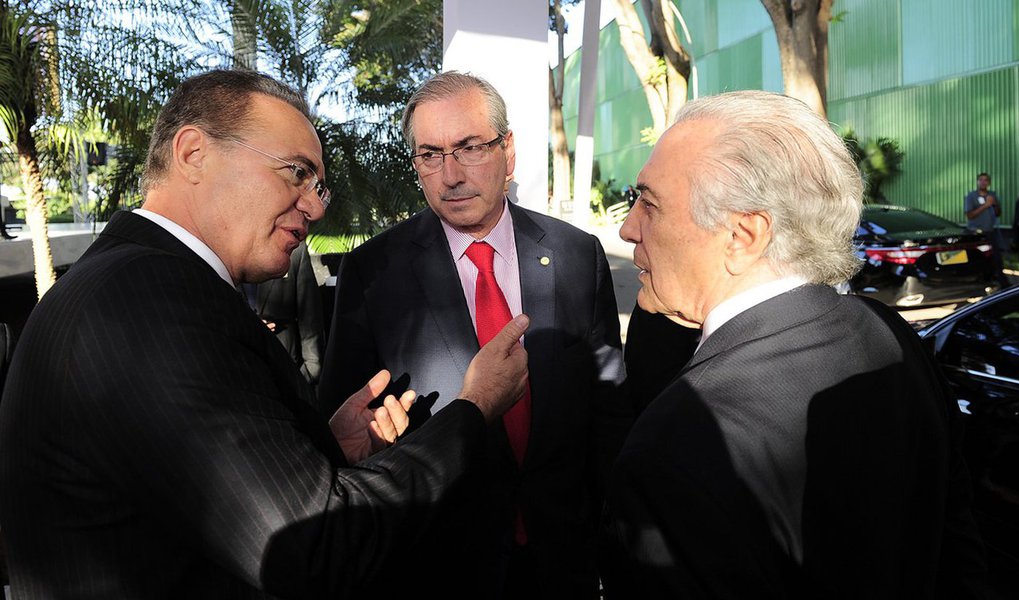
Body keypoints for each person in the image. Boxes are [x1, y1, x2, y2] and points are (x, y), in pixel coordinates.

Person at [0, 69, 531, 599]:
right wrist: (474, 407)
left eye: (318, 184)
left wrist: (329, 448)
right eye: (296, 172)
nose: (317, 206)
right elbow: (315, 547)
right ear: (192, 154)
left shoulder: (141, 281)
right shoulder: (150, 298)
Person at [598, 90, 988, 598]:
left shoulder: (672, 449)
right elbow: (957, 544)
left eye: (649, 203)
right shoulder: (889, 334)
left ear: (743, 235)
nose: (628, 228)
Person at [318, 71, 629, 598]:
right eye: (430, 155)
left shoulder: (578, 256)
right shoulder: (374, 272)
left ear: (508, 151)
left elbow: (608, 412)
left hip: (564, 561)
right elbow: (346, 424)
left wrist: (616, 547)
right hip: (441, 565)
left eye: (468, 148)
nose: (451, 175)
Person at [243, 239, 324, 388]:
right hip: (242, 375)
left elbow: (310, 313)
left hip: (290, 373)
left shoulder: (294, 251)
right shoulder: (223, 254)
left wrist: (311, 369)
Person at [965, 172, 1009, 287]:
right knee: (978, 258)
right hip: (976, 232)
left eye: (986, 180)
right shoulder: (971, 196)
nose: (983, 182)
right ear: (977, 182)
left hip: (991, 231)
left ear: (989, 183)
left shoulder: (992, 195)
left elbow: (998, 213)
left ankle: (1001, 282)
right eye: (981, 180)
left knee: (996, 257)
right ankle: (978, 282)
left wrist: (995, 204)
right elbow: (970, 215)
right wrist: (985, 205)